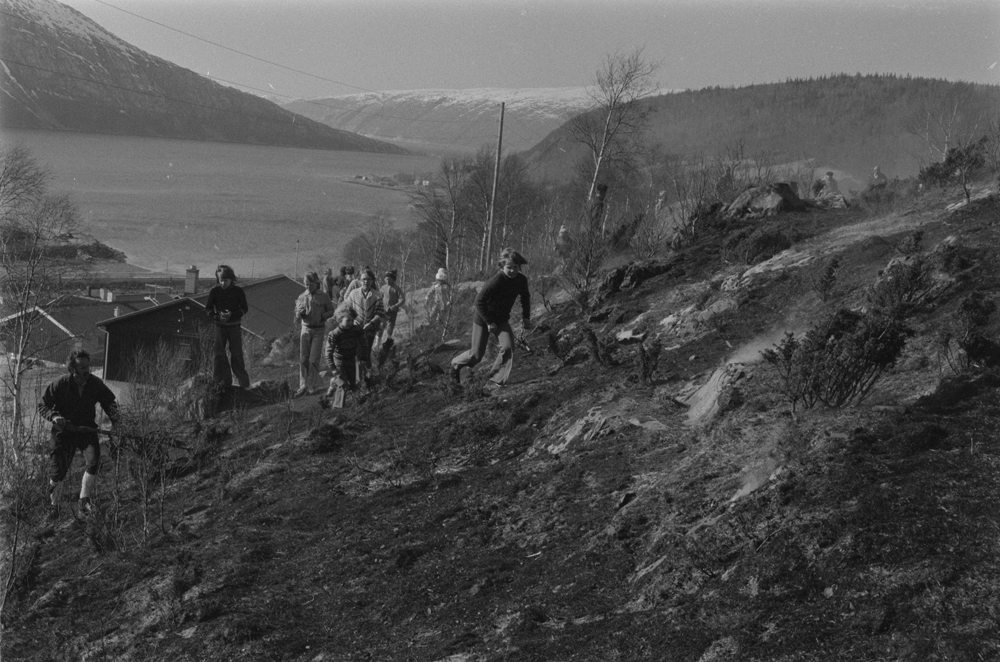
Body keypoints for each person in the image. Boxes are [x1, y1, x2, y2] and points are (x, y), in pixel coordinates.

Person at [37, 350, 120, 518]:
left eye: (88, 366)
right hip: (63, 431)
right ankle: (54, 507)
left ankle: (84, 501)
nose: (87, 370)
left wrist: (116, 423)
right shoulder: (60, 384)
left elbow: (109, 403)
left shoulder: (95, 384)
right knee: (57, 469)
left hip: (86, 429)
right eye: (82, 367)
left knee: (93, 462)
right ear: (73, 369)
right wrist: (54, 416)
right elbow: (42, 405)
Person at [451, 249, 532, 387]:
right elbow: (479, 301)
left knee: (508, 348)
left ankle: (495, 381)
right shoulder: (497, 280)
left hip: (501, 320)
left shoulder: (521, 280)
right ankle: (455, 364)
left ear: (519, 267)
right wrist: (489, 322)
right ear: (502, 267)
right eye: (508, 268)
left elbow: (525, 297)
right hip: (483, 319)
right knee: (476, 356)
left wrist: (526, 317)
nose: (512, 271)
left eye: (515, 268)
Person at [204, 264, 250, 389]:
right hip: (220, 327)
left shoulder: (238, 292)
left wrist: (232, 315)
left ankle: (244, 384)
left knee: (236, 354)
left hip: (234, 326)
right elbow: (208, 308)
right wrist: (216, 316)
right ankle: (221, 382)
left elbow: (244, 308)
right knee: (219, 354)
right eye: (221, 280)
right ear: (217, 280)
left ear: (231, 279)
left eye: (225, 280)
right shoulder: (215, 291)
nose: (223, 283)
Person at [295, 271, 336, 397]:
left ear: (316, 283)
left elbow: (331, 310)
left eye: (310, 284)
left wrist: (322, 316)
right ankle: (303, 385)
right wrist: (299, 313)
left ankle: (311, 384)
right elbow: (296, 314)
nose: (308, 287)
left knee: (313, 359)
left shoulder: (323, 296)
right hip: (305, 329)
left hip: (318, 330)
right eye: (306, 285)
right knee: (303, 359)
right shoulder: (302, 296)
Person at [343, 268, 386, 385]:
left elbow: (379, 313)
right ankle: (358, 380)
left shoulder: (377, 295)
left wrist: (371, 323)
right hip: (355, 328)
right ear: (360, 280)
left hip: (370, 329)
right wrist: (352, 321)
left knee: (365, 354)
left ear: (372, 281)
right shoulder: (353, 293)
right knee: (357, 354)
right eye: (363, 280)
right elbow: (348, 309)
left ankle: (369, 377)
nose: (365, 282)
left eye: (368, 279)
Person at [322, 305, 365, 407]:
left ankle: (356, 404)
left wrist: (363, 357)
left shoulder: (356, 330)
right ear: (340, 320)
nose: (350, 323)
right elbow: (328, 352)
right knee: (343, 385)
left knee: (353, 384)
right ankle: (337, 408)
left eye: (351, 320)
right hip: (339, 362)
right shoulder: (334, 334)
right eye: (347, 321)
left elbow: (364, 343)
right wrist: (332, 368)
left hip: (351, 359)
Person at [378, 269, 406, 344]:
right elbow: (379, 297)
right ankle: (377, 343)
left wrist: (396, 306)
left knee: (390, 325)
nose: (388, 281)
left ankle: (388, 340)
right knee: (381, 326)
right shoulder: (383, 288)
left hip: (392, 310)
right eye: (386, 279)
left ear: (393, 280)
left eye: (390, 279)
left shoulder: (396, 288)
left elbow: (402, 299)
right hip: (384, 310)